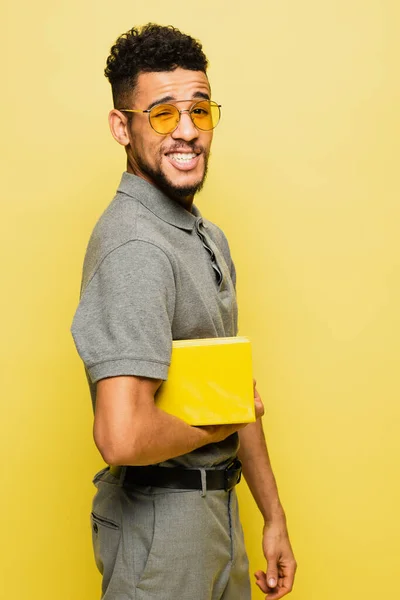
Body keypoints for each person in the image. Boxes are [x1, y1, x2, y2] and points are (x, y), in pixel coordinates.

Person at [70, 23, 296, 600]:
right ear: (123, 126)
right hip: (161, 528)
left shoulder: (204, 236)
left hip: (215, 508)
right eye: (164, 115)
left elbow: (229, 390)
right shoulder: (136, 247)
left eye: (201, 111)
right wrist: (222, 420)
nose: (189, 132)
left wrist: (271, 514)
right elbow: (120, 435)